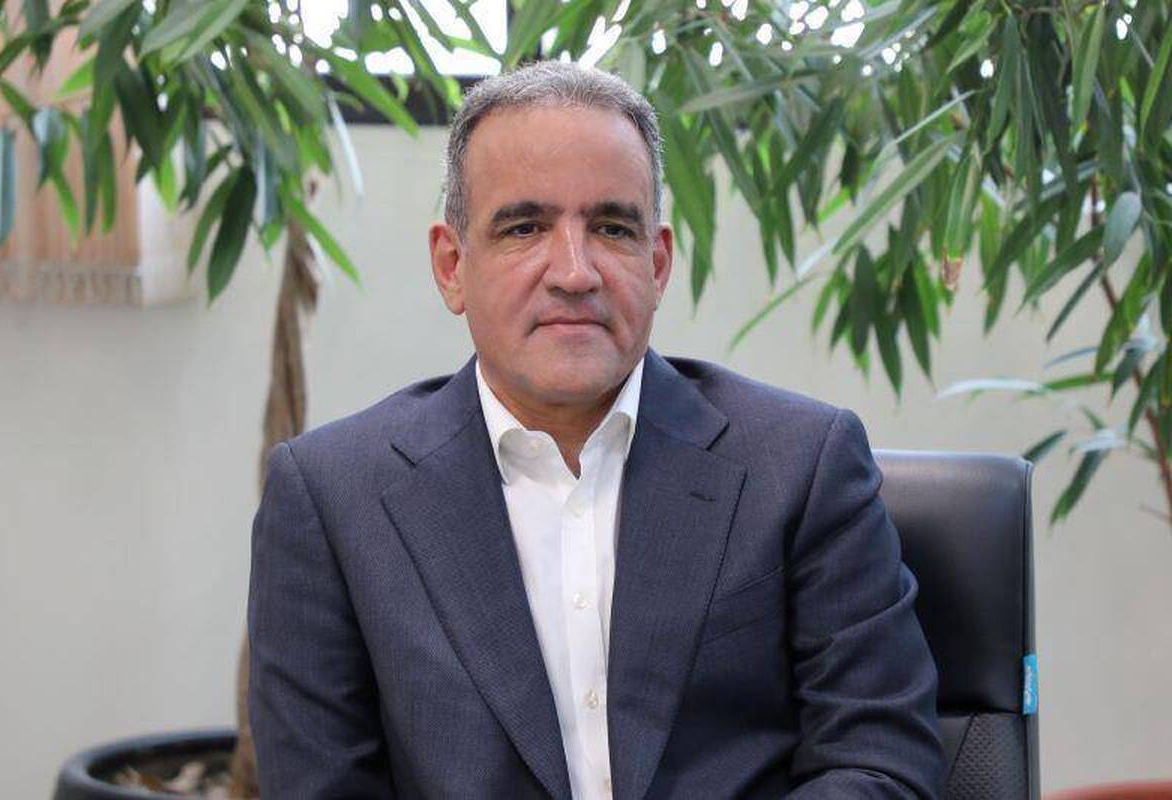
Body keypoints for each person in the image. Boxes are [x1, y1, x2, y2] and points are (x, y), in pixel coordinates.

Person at [247, 61, 944, 799]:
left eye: (612, 228)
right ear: (452, 266)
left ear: (658, 263)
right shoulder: (333, 499)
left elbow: (880, 765)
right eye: (525, 228)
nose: (574, 272)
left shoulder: (801, 466)